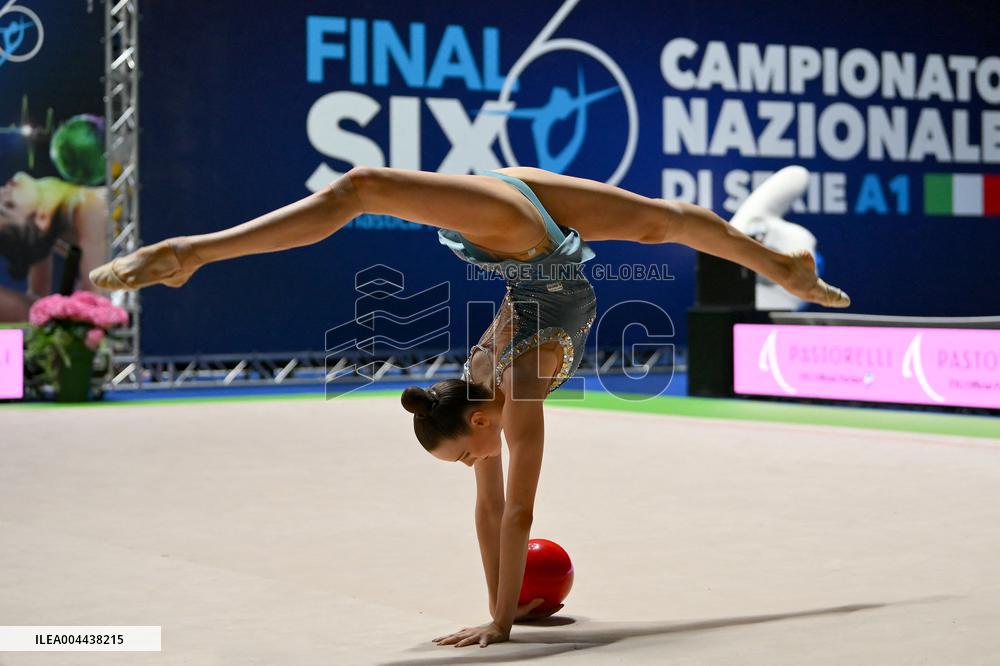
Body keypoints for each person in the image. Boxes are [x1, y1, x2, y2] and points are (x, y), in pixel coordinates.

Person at [88, 166, 849, 648]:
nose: (471, 467)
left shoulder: (511, 397)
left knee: (359, 190)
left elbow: (516, 516)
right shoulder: (485, 387)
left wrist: (503, 622)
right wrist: (499, 610)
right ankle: (784, 264)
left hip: (521, 241)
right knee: (668, 221)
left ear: (476, 424)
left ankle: (189, 254)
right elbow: (491, 513)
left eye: (461, 455)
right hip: (529, 237)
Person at [0, 172, 108, 321]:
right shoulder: (90, 209)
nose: (5, 189)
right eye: (9, 205)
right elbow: (100, 307)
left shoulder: (72, 223)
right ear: (42, 218)